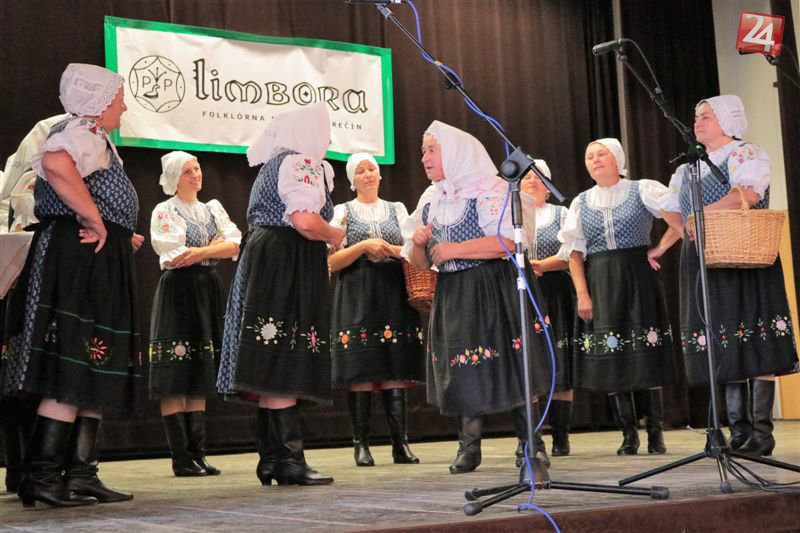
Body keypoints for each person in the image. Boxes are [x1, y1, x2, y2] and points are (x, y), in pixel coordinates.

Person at [0, 63, 143, 507]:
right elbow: (56, 163)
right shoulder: (81, 130)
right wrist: (96, 220)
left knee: (92, 363)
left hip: (94, 257)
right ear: (97, 104)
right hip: (78, 259)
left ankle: (80, 474)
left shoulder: (94, 136)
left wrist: (119, 231)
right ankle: (43, 476)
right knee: (73, 366)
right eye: (118, 100)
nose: (123, 108)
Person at [403, 120, 551, 474]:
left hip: (495, 286)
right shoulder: (432, 199)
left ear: (454, 153)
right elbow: (421, 262)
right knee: (462, 365)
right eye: (423, 151)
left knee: (513, 364)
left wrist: (455, 249)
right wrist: (420, 245)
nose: (424, 158)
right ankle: (468, 447)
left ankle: (531, 444)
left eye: (431, 150)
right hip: (454, 292)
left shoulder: (490, 189)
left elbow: (510, 242)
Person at [655, 95, 798, 456]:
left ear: (727, 120)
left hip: (743, 256)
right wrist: (689, 230)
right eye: (696, 116)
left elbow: (747, 193)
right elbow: (669, 208)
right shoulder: (687, 168)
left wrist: (703, 216)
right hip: (705, 258)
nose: (697, 122)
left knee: (756, 337)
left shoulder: (745, 153)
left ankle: (761, 433)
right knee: (722, 339)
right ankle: (738, 431)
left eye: (706, 116)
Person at [217, 102, 343, 486]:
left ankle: (271, 459)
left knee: (270, 354)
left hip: (268, 258)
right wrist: (334, 234)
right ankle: (290, 460)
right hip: (286, 261)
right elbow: (304, 220)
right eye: (325, 131)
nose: (328, 140)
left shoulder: (274, 165)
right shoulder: (301, 162)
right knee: (284, 354)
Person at [559, 138, 678, 456]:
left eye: (601, 154)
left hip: (638, 276)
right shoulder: (581, 202)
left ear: (617, 159)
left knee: (645, 352)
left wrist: (659, 248)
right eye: (589, 156)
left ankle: (655, 431)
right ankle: (628, 433)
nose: (595, 160)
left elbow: (678, 218)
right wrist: (582, 294)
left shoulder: (642, 189)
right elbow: (574, 254)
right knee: (612, 357)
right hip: (601, 279)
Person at [328, 153, 424, 467]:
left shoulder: (397, 210)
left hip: (392, 290)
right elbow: (330, 262)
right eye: (361, 171)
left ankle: (400, 444)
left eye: (372, 169)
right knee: (362, 367)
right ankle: (361, 444)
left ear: (380, 175)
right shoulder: (342, 212)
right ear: (351, 180)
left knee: (395, 365)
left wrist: (389, 249)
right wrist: (362, 247)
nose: (368, 174)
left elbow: (412, 251)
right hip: (357, 292)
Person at [149, 151, 241, 476]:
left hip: (206, 288)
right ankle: (181, 458)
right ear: (175, 178)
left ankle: (197, 454)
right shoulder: (165, 210)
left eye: (197, 168)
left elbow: (234, 244)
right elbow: (175, 254)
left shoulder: (212, 208)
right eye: (188, 171)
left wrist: (201, 251)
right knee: (176, 375)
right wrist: (212, 248)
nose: (196, 174)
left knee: (200, 372)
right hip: (179, 290)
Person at [521, 162, 575, 457]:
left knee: (559, 357)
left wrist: (541, 265)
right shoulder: (514, 217)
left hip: (554, 289)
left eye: (538, 177)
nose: (532, 181)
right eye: (526, 177)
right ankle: (532, 435)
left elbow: (571, 253)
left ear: (549, 184)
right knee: (530, 357)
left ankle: (561, 436)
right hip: (524, 291)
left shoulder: (561, 214)